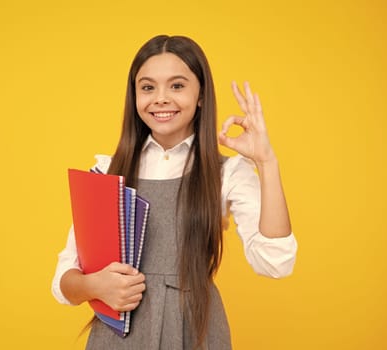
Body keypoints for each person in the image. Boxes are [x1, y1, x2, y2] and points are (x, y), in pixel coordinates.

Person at [51, 34, 298, 350]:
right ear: (135, 96)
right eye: (148, 87)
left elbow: (275, 263)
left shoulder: (226, 173)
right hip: (117, 338)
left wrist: (266, 162)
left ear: (201, 96)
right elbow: (64, 282)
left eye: (177, 86)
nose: (161, 98)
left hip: (192, 333)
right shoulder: (108, 170)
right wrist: (94, 286)